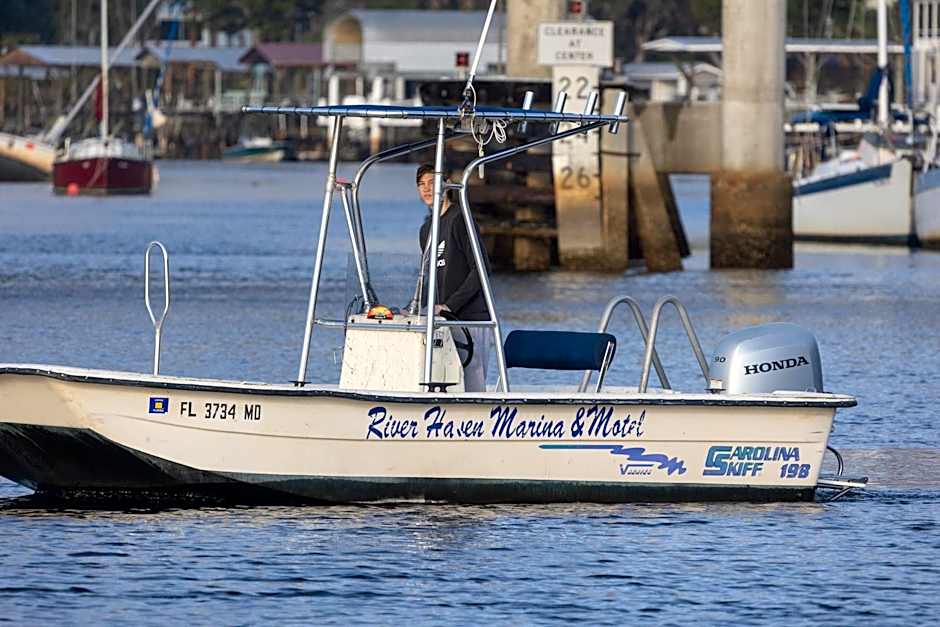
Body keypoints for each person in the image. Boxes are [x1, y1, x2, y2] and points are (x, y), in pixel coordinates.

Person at [415, 163, 491, 392]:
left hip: (471, 318)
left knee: (472, 385)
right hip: (443, 320)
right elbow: (430, 276)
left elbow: (481, 270)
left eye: (432, 183)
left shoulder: (460, 219)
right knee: (442, 382)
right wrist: (418, 307)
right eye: (421, 185)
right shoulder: (426, 230)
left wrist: (449, 305)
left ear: (446, 185)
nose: (427, 189)